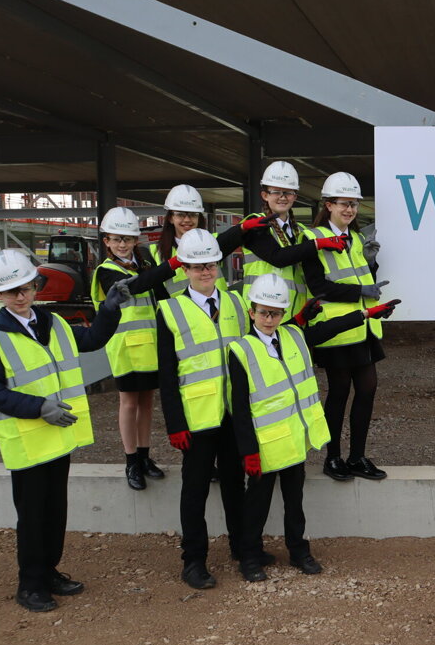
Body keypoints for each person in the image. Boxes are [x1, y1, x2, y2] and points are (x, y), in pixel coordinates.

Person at [0, 249, 131, 612]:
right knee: (32, 516)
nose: (20, 295)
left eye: (25, 287)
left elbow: (92, 340)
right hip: (28, 443)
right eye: (10, 290)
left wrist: (108, 309)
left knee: (55, 510)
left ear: (35, 285)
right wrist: (38, 407)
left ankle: (49, 571)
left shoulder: (52, 324)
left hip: (58, 438)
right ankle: (30, 585)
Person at [229, 274, 400, 581]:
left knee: (295, 503)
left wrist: (364, 314)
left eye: (276, 313)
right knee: (256, 504)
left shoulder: (293, 335)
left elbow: (329, 328)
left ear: (283, 314)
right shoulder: (240, 351)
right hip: (265, 447)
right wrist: (248, 451)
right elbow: (240, 409)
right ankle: (250, 557)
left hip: (294, 441)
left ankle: (299, 551)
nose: (269, 318)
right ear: (251, 312)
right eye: (264, 312)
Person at [156, 228, 252, 589]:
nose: (206, 270)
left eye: (211, 263)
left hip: (232, 414)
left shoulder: (237, 304)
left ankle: (243, 547)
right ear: (184, 268)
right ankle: (193, 560)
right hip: (195, 420)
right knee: (194, 490)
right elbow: (167, 375)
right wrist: (174, 423)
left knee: (234, 484)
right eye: (197, 265)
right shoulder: (169, 311)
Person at [300, 172, 392, 482]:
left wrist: (372, 264)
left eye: (353, 204)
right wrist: (360, 293)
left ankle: (357, 456)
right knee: (339, 393)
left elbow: (359, 275)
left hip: (363, 327)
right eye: (343, 204)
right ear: (328, 205)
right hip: (336, 329)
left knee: (367, 389)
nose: (349, 210)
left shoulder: (356, 238)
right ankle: (333, 458)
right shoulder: (312, 239)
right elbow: (317, 285)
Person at [89, 206, 178, 490]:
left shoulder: (145, 267)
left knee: (147, 404)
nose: (122, 244)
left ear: (136, 240)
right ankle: (131, 462)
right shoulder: (107, 272)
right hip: (125, 349)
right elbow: (135, 288)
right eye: (116, 239)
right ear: (107, 241)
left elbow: (162, 297)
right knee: (128, 404)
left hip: (149, 349)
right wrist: (173, 265)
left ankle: (144, 457)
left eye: (127, 239)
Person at [239, 161, 351, 319]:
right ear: (265, 195)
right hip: (262, 313)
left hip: (295, 313)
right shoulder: (255, 224)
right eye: (276, 192)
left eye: (288, 192)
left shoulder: (302, 231)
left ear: (295, 197)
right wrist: (318, 244)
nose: (282, 197)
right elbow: (277, 257)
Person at [148, 184, 265, 300]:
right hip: (183, 315)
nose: (187, 220)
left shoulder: (213, 241)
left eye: (193, 215)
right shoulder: (155, 253)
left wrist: (244, 226)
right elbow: (157, 293)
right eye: (180, 214)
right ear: (170, 218)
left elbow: (231, 237)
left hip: (220, 310)